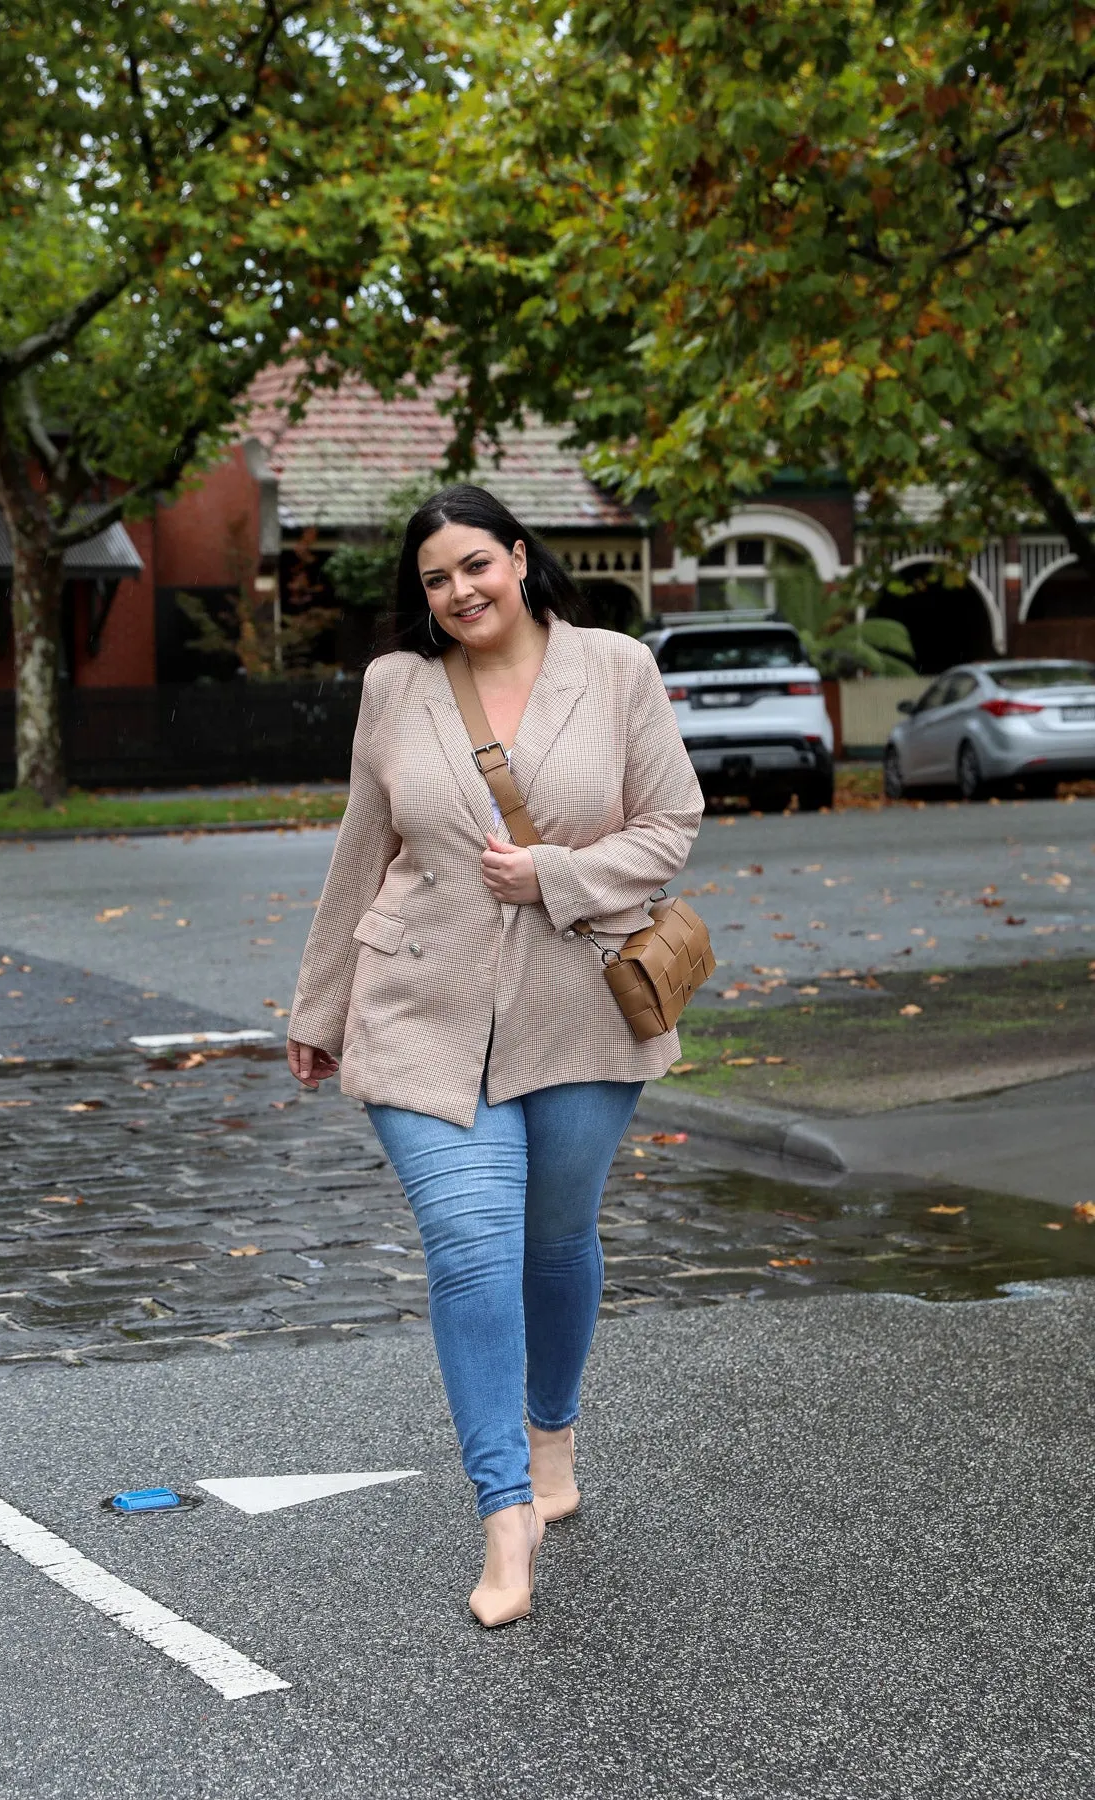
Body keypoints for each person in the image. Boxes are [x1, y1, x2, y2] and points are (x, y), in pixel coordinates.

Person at [286, 484, 703, 1627]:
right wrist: (319, 1009)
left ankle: (552, 1433)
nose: (460, 590)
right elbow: (361, 849)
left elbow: (671, 823)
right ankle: (504, 1513)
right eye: (435, 579)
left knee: (555, 1236)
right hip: (419, 1003)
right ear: (420, 597)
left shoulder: (617, 669)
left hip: (580, 1006)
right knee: (472, 1247)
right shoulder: (394, 688)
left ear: (518, 559)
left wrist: (555, 878)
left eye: (476, 564)